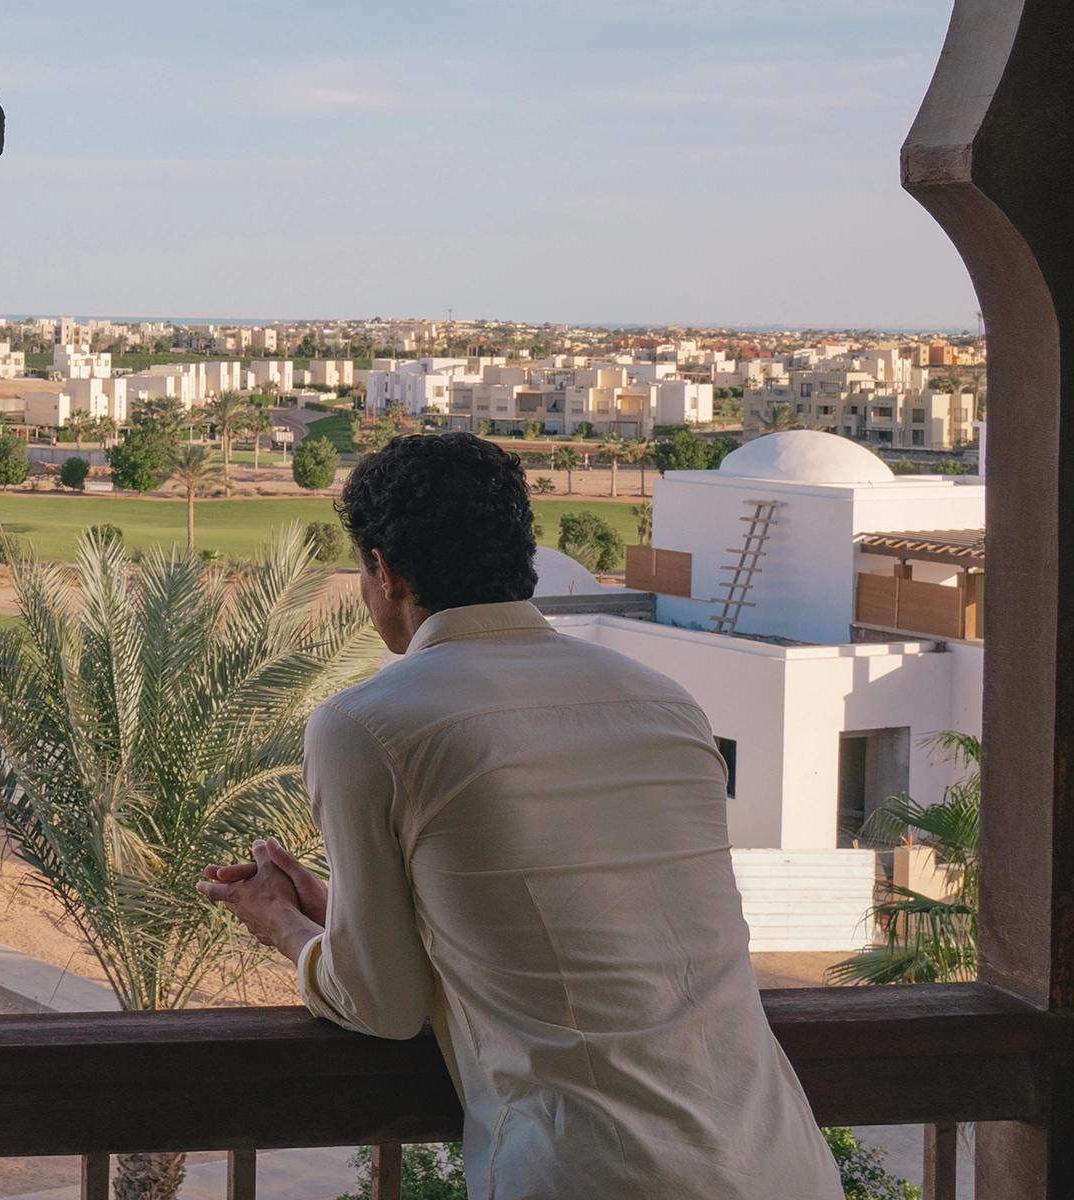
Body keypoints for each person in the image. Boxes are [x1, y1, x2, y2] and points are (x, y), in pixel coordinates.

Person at [198, 432, 842, 1200]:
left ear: (384, 570)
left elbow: (386, 1005)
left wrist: (283, 924)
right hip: (777, 1161)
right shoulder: (663, 702)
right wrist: (347, 918)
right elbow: (592, 931)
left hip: (597, 1175)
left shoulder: (369, 725)